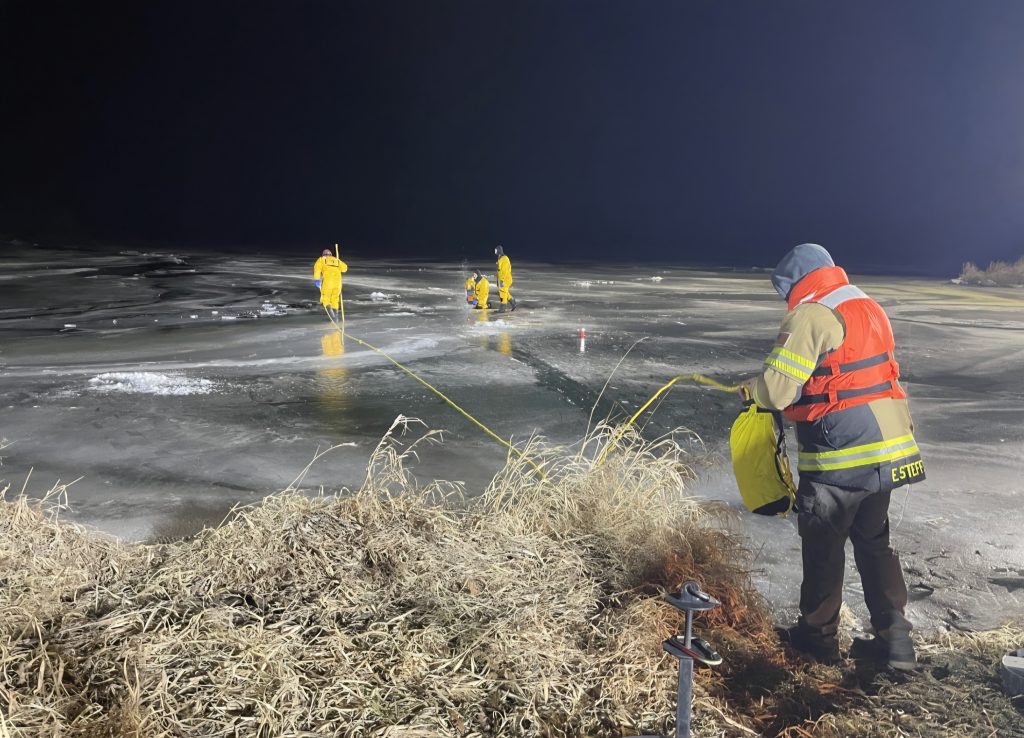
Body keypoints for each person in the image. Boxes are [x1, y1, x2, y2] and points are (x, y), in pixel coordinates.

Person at [742, 243, 924, 670]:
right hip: (888, 449)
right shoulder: (865, 304)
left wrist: (753, 389)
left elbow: (778, 389)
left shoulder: (809, 315)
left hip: (840, 456)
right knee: (874, 540)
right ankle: (895, 640)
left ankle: (817, 641)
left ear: (795, 283)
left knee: (824, 545)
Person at [313, 247, 348, 322]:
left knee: (326, 299)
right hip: (338, 283)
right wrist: (338, 261)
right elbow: (345, 268)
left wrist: (317, 279)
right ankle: (336, 317)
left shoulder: (321, 259)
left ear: (323, 254)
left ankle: (332, 317)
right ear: (331, 254)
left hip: (328, 283)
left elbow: (317, 269)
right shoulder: (336, 260)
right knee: (335, 300)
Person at [494, 245, 516, 313]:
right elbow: (500, 270)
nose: (495, 251)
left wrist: (502, 281)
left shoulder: (505, 259)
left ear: (499, 251)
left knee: (502, 292)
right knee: (504, 291)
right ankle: (513, 302)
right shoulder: (500, 258)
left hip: (505, 279)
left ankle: (502, 308)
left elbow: (504, 271)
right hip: (502, 279)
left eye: (496, 250)